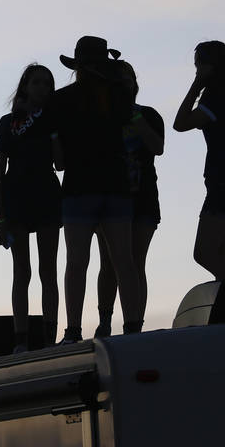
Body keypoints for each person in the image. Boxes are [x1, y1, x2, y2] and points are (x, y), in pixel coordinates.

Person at [44, 36, 142, 343]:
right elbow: (131, 134)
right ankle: (132, 327)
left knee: (77, 261)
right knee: (122, 260)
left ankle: (73, 330)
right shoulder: (120, 96)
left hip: (79, 186)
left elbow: (57, 157)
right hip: (114, 185)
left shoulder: (61, 100)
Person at [0, 64, 61, 351]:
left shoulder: (54, 120)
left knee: (49, 270)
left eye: (47, 83)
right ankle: (20, 338)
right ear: (25, 87)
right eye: (36, 83)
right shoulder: (8, 122)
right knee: (22, 270)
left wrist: (56, 132)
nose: (42, 88)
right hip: (17, 198)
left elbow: (60, 163)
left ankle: (49, 337)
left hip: (46, 195)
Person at [172, 40, 225, 281]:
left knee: (205, 254)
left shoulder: (218, 97)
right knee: (220, 257)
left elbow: (180, 123)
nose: (197, 71)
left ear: (211, 66)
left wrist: (196, 86)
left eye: (199, 66)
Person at [95, 60, 164, 337]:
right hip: (111, 196)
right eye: (120, 80)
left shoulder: (148, 114)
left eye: (129, 78)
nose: (126, 84)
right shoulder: (103, 117)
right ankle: (104, 321)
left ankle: (134, 323)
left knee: (136, 261)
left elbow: (157, 147)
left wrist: (133, 116)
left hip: (143, 196)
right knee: (108, 262)